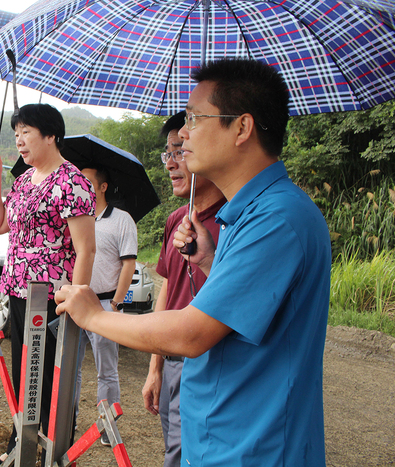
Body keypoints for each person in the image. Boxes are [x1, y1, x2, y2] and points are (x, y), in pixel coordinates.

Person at [55, 58, 331, 466]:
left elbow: (192, 333)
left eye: (195, 119)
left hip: (254, 447)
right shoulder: (247, 213)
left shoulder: (278, 219)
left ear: (242, 127)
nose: (183, 134)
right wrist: (209, 261)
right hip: (219, 436)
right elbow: (246, 312)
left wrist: (94, 316)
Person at [0, 103, 96, 466]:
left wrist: (73, 307)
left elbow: (86, 249)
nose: (19, 140)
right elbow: (0, 224)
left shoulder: (71, 182)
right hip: (17, 293)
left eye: (26, 132)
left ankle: (51, 452)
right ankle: (21, 447)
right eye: (16, 134)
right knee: (25, 377)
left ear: (51, 135)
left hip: (51, 300)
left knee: (49, 380)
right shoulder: (24, 180)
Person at [140, 111, 225, 467]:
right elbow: (168, 290)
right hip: (172, 360)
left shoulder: (231, 220)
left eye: (180, 151)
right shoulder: (177, 219)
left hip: (206, 360)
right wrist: (154, 367)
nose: (172, 163)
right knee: (172, 446)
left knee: (185, 454)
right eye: (168, 154)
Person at [73, 164, 137, 446]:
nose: (81, 186)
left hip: (103, 305)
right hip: (75, 301)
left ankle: (107, 426)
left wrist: (115, 303)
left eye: (88, 182)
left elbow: (128, 264)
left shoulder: (121, 220)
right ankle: (66, 422)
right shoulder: (75, 217)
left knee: (107, 370)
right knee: (69, 368)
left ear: (102, 187)